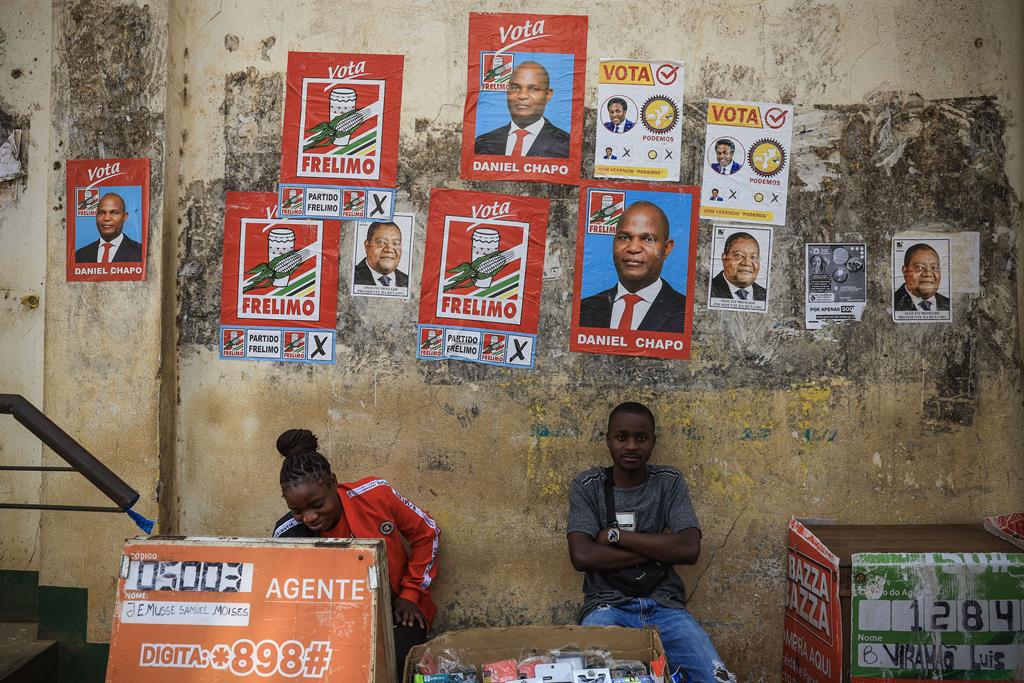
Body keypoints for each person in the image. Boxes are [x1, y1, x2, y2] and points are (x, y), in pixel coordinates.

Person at [567, 402, 735, 683]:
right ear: (608, 439)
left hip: (666, 607)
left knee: (717, 678)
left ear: (653, 441)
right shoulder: (588, 485)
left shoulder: (668, 482)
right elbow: (582, 556)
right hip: (607, 607)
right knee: (590, 677)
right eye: (622, 437)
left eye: (641, 438)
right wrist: (659, 549)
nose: (631, 446)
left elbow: (689, 549)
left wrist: (616, 537)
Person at [272, 429, 440, 681]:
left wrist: (411, 593)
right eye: (297, 511)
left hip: (396, 611)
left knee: (394, 665)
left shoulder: (376, 495)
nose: (309, 517)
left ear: (333, 483)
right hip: (331, 625)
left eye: (317, 505)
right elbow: (286, 597)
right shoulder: (288, 534)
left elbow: (427, 533)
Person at [579, 201, 686, 332]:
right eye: (624, 237)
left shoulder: (687, 313)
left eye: (648, 239)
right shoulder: (583, 310)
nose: (633, 248)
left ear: (666, 248)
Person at [474, 61, 570, 158]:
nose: (522, 95)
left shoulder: (566, 145)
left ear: (548, 95)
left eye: (533, 89)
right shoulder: (484, 143)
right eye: (515, 88)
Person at [74, 192, 143, 263]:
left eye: (114, 212)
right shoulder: (80, 255)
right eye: (101, 212)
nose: (106, 218)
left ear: (124, 217)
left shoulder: (141, 252)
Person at [709, 232, 766, 301]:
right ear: (724, 258)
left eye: (753, 257)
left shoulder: (765, 295)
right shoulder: (707, 289)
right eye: (738, 255)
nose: (747, 263)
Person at [894, 243, 949, 311]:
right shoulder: (892, 303)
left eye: (934, 267)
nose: (928, 274)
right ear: (905, 271)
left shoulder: (949, 304)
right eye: (919, 267)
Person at [354, 221, 408, 288]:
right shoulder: (351, 276)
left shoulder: (407, 281)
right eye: (381, 242)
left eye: (396, 243)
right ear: (367, 245)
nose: (389, 249)